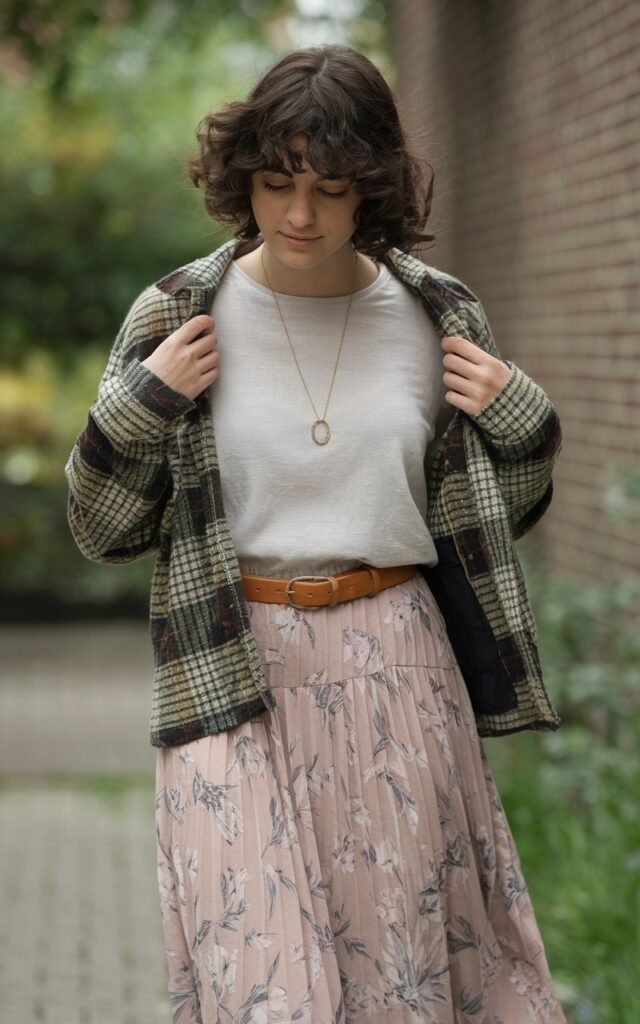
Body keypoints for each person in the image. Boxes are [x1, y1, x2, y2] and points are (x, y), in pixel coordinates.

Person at [65, 44, 567, 1024]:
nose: (298, 214)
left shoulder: (437, 314)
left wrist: (526, 425)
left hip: (396, 666)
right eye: (274, 182)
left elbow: (498, 521)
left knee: (397, 979)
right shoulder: (180, 313)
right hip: (229, 665)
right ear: (239, 178)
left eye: (330, 189)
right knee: (271, 992)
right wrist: (141, 405)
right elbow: (100, 528)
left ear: (370, 190)